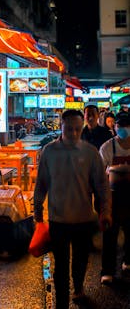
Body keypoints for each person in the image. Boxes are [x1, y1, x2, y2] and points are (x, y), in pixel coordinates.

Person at [34, 109, 112, 309]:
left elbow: (102, 185)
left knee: (80, 260)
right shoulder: (49, 152)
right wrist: (37, 209)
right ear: (61, 127)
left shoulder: (90, 153)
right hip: (58, 219)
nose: (74, 133)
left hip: (83, 218)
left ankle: (78, 288)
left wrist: (105, 211)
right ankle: (62, 303)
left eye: (78, 129)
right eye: (69, 129)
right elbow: (41, 182)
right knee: (61, 264)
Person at [99, 111, 130, 284]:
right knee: (110, 234)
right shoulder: (106, 147)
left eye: (127, 125)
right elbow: (98, 174)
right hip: (113, 197)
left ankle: (128, 261)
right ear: (114, 127)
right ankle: (107, 271)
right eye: (120, 125)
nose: (124, 129)